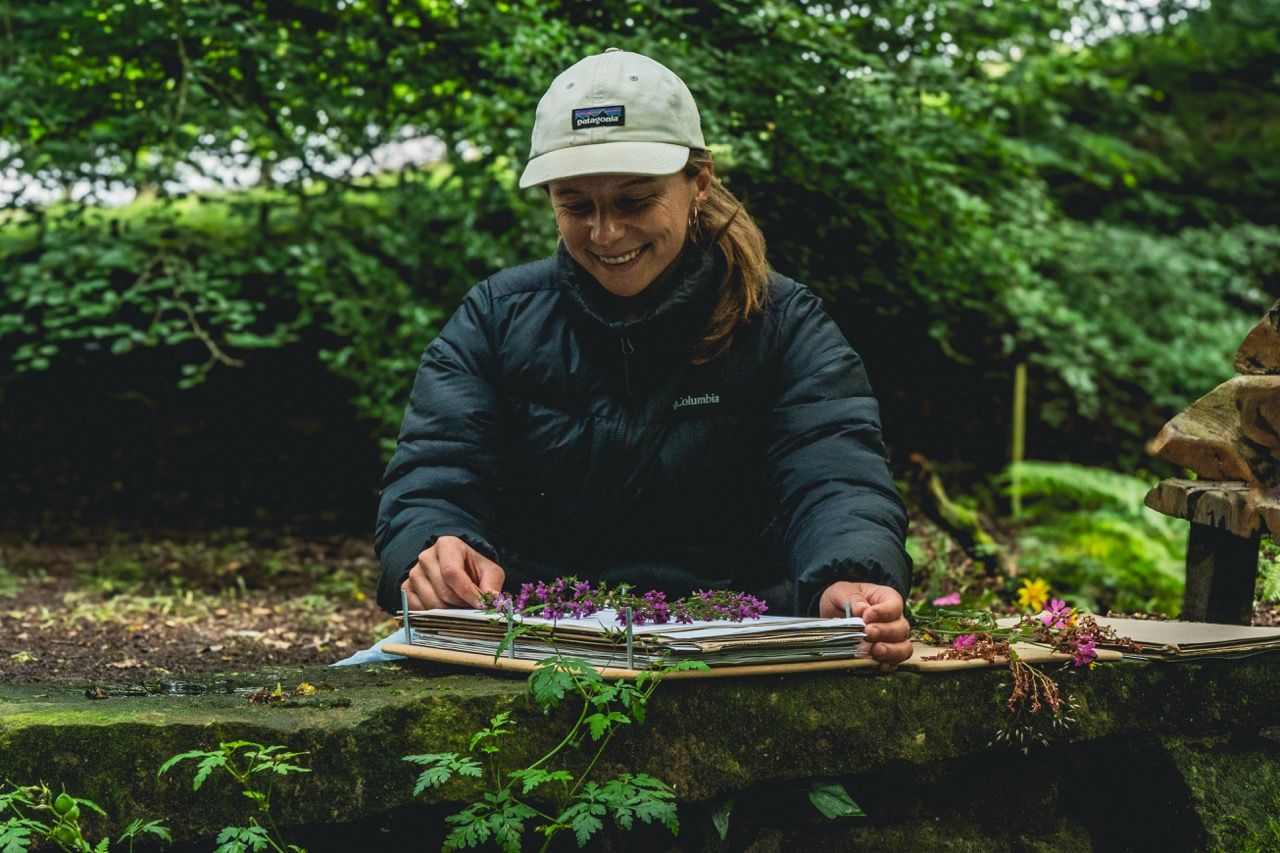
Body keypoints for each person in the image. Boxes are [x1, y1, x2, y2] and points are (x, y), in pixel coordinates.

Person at [375, 48, 913, 667]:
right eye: (576, 206)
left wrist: (846, 576)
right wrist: (434, 550)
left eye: (634, 202)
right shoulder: (494, 319)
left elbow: (835, 475)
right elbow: (435, 474)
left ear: (699, 182)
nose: (605, 234)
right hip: (530, 654)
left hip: (737, 652)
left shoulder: (786, 326)